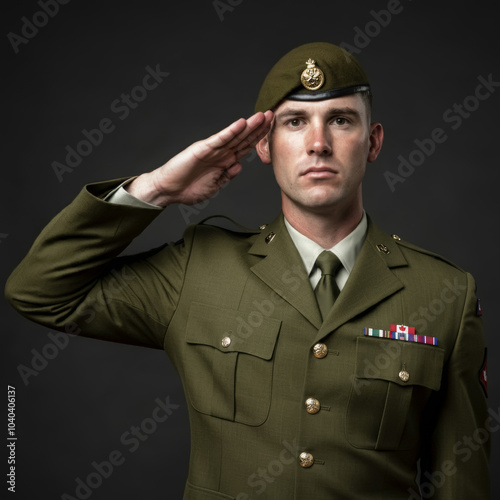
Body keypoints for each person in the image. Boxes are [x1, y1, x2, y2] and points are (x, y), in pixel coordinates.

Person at [5, 42, 489, 499]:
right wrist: (154, 190)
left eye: (340, 120)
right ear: (263, 144)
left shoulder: (443, 293)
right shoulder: (198, 269)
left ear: (373, 141)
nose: (318, 143)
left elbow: (460, 482)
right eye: (295, 121)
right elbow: (40, 292)